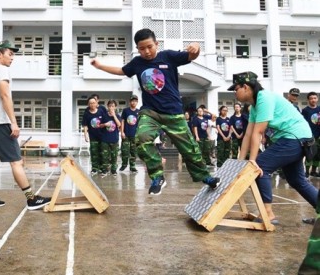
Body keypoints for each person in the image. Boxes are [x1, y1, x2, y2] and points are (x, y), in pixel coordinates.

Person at [90, 28, 220, 195]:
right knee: (141, 138)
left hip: (173, 113)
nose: (147, 51)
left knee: (190, 148)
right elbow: (122, 71)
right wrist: (100, 66)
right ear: (137, 49)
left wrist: (196, 46)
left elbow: (190, 56)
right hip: (150, 112)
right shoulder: (137, 63)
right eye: (142, 48)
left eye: (150, 47)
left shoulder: (168, 56)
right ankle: (157, 176)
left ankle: (205, 177)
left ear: (156, 44)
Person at [230, 71, 318, 224]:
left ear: (245, 87)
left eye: (235, 89)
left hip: (295, 138)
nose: (234, 93)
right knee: (297, 180)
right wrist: (240, 161)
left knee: (260, 167)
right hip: (294, 138)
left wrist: (252, 161)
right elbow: (248, 135)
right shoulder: (254, 106)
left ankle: (268, 214)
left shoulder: (264, 98)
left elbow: (258, 132)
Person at [0, 40, 51, 210]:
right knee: (16, 162)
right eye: (10, 54)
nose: (13, 57)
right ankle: (31, 199)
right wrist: (13, 122)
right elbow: (5, 96)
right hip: (1, 122)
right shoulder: (2, 69)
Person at [82, 95, 106, 175]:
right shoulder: (86, 114)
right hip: (92, 136)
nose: (92, 104)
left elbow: (106, 122)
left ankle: (103, 168)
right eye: (90, 103)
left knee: (102, 152)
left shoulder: (101, 112)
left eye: (93, 103)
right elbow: (85, 125)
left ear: (96, 103)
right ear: (88, 105)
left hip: (102, 136)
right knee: (94, 153)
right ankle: (95, 169)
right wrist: (85, 135)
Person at [100, 100, 122, 177]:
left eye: (113, 106)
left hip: (114, 139)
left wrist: (114, 116)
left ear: (115, 107)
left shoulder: (118, 115)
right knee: (104, 156)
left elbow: (119, 124)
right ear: (107, 107)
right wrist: (105, 124)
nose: (111, 108)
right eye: (110, 106)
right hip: (105, 139)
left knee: (114, 156)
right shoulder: (104, 115)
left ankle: (113, 170)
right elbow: (100, 125)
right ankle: (105, 170)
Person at [301, 92, 320, 178]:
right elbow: (303, 123)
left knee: (318, 155)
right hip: (309, 136)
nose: (313, 100)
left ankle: (314, 171)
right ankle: (307, 172)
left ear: (317, 99)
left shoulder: (319, 109)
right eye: (311, 98)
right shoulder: (305, 110)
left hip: (319, 136)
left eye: (315, 98)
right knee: (309, 154)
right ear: (308, 100)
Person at [119, 95, 139, 173]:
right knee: (125, 150)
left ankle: (132, 166)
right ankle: (124, 165)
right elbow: (122, 121)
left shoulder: (138, 112)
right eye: (132, 101)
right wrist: (122, 132)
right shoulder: (126, 110)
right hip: (126, 134)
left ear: (137, 102)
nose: (133, 102)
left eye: (135, 101)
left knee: (133, 151)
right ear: (130, 102)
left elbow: (139, 123)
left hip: (134, 134)